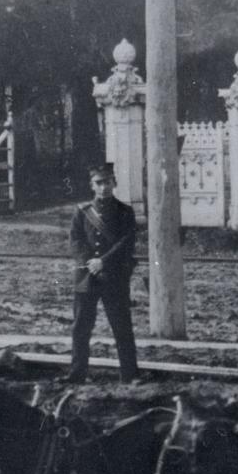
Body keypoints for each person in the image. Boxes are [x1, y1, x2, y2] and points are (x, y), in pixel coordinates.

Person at [67, 162, 140, 383]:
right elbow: (75, 240)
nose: (103, 187)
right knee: (81, 326)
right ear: (92, 185)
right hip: (86, 275)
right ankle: (77, 374)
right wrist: (88, 262)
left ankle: (129, 375)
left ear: (114, 183)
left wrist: (103, 262)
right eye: (98, 183)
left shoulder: (125, 212)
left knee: (121, 326)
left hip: (114, 275)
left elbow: (126, 243)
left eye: (107, 182)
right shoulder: (81, 212)